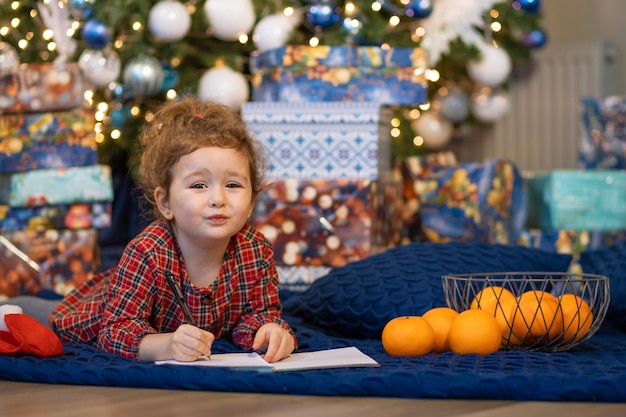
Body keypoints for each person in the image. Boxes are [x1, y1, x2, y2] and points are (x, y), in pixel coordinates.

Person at [5, 96, 297, 363]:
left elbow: (256, 314)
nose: (218, 199)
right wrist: (166, 345)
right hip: (97, 313)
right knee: (44, 315)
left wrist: (268, 330)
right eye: (198, 185)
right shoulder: (149, 250)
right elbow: (115, 331)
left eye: (233, 185)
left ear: (250, 203)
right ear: (165, 201)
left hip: (142, 309)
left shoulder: (256, 250)